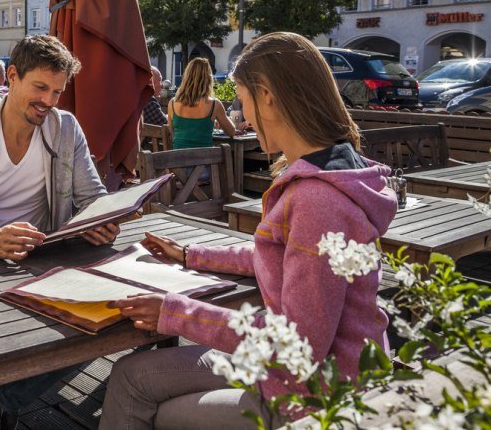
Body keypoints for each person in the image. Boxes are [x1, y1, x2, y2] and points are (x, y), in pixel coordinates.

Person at [99, 32, 399, 429]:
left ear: (267, 95)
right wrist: (191, 255)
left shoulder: (316, 201)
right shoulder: (338, 171)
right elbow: (287, 255)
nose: (244, 116)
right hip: (330, 372)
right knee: (131, 374)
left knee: (139, 392)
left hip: (313, 399)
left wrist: (175, 312)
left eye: (242, 100)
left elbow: (299, 347)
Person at [0, 35, 119, 430]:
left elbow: (92, 195)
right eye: (40, 88)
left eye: (58, 92)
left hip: (42, 261)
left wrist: (101, 216)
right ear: (12, 76)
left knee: (113, 309)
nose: (49, 101)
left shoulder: (64, 129)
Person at [167, 57, 235, 149]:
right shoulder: (214, 104)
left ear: (186, 76)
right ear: (208, 78)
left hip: (178, 161)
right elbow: (231, 131)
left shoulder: (172, 103)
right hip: (205, 162)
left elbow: (172, 134)